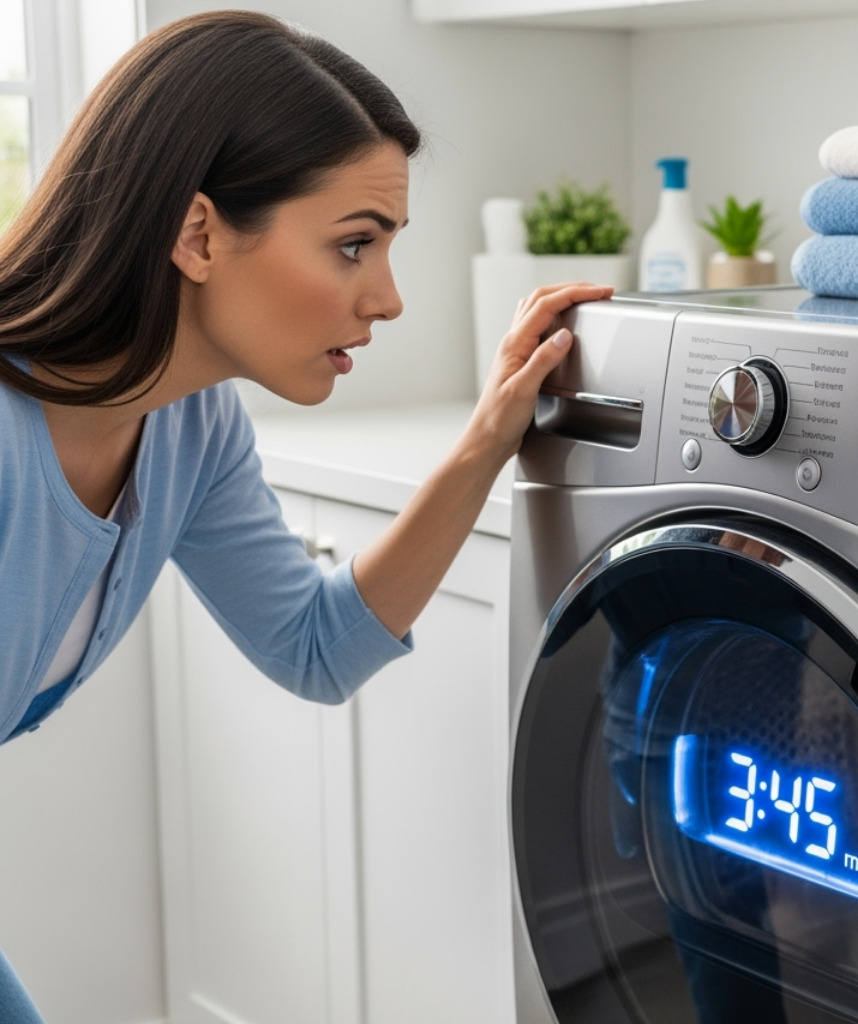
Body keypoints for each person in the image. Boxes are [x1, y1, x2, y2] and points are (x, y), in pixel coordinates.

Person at [0, 10, 610, 1019]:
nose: (387, 299)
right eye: (352, 246)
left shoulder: (189, 427)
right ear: (198, 233)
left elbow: (315, 645)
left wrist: (487, 438)